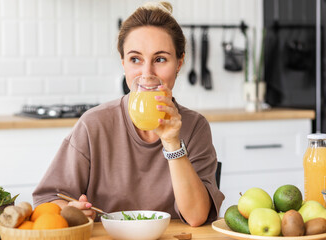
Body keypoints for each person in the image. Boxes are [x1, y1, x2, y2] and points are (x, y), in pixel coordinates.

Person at [33, 1, 224, 227]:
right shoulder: (94, 125)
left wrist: (172, 143)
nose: (147, 74)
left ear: (179, 63)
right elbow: (46, 200)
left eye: (160, 59)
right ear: (123, 64)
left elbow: (196, 217)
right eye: (135, 59)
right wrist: (71, 211)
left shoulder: (195, 127)